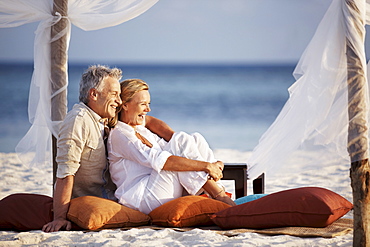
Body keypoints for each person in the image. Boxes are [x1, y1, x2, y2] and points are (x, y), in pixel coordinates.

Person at [42, 66, 174, 232]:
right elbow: (65, 173)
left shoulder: (104, 118)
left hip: (116, 196)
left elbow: (146, 120)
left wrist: (171, 135)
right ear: (94, 94)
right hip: (96, 201)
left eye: (119, 95)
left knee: (180, 148)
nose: (119, 101)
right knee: (170, 164)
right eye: (114, 94)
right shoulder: (78, 121)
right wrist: (60, 218)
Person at [107, 79, 236, 215]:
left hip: (159, 186)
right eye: (143, 104)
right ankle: (219, 195)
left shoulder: (140, 127)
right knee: (181, 141)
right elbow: (163, 161)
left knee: (196, 138)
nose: (148, 109)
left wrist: (209, 164)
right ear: (125, 105)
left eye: (148, 104)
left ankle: (212, 192)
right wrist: (207, 166)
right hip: (144, 198)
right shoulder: (121, 135)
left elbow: (152, 123)